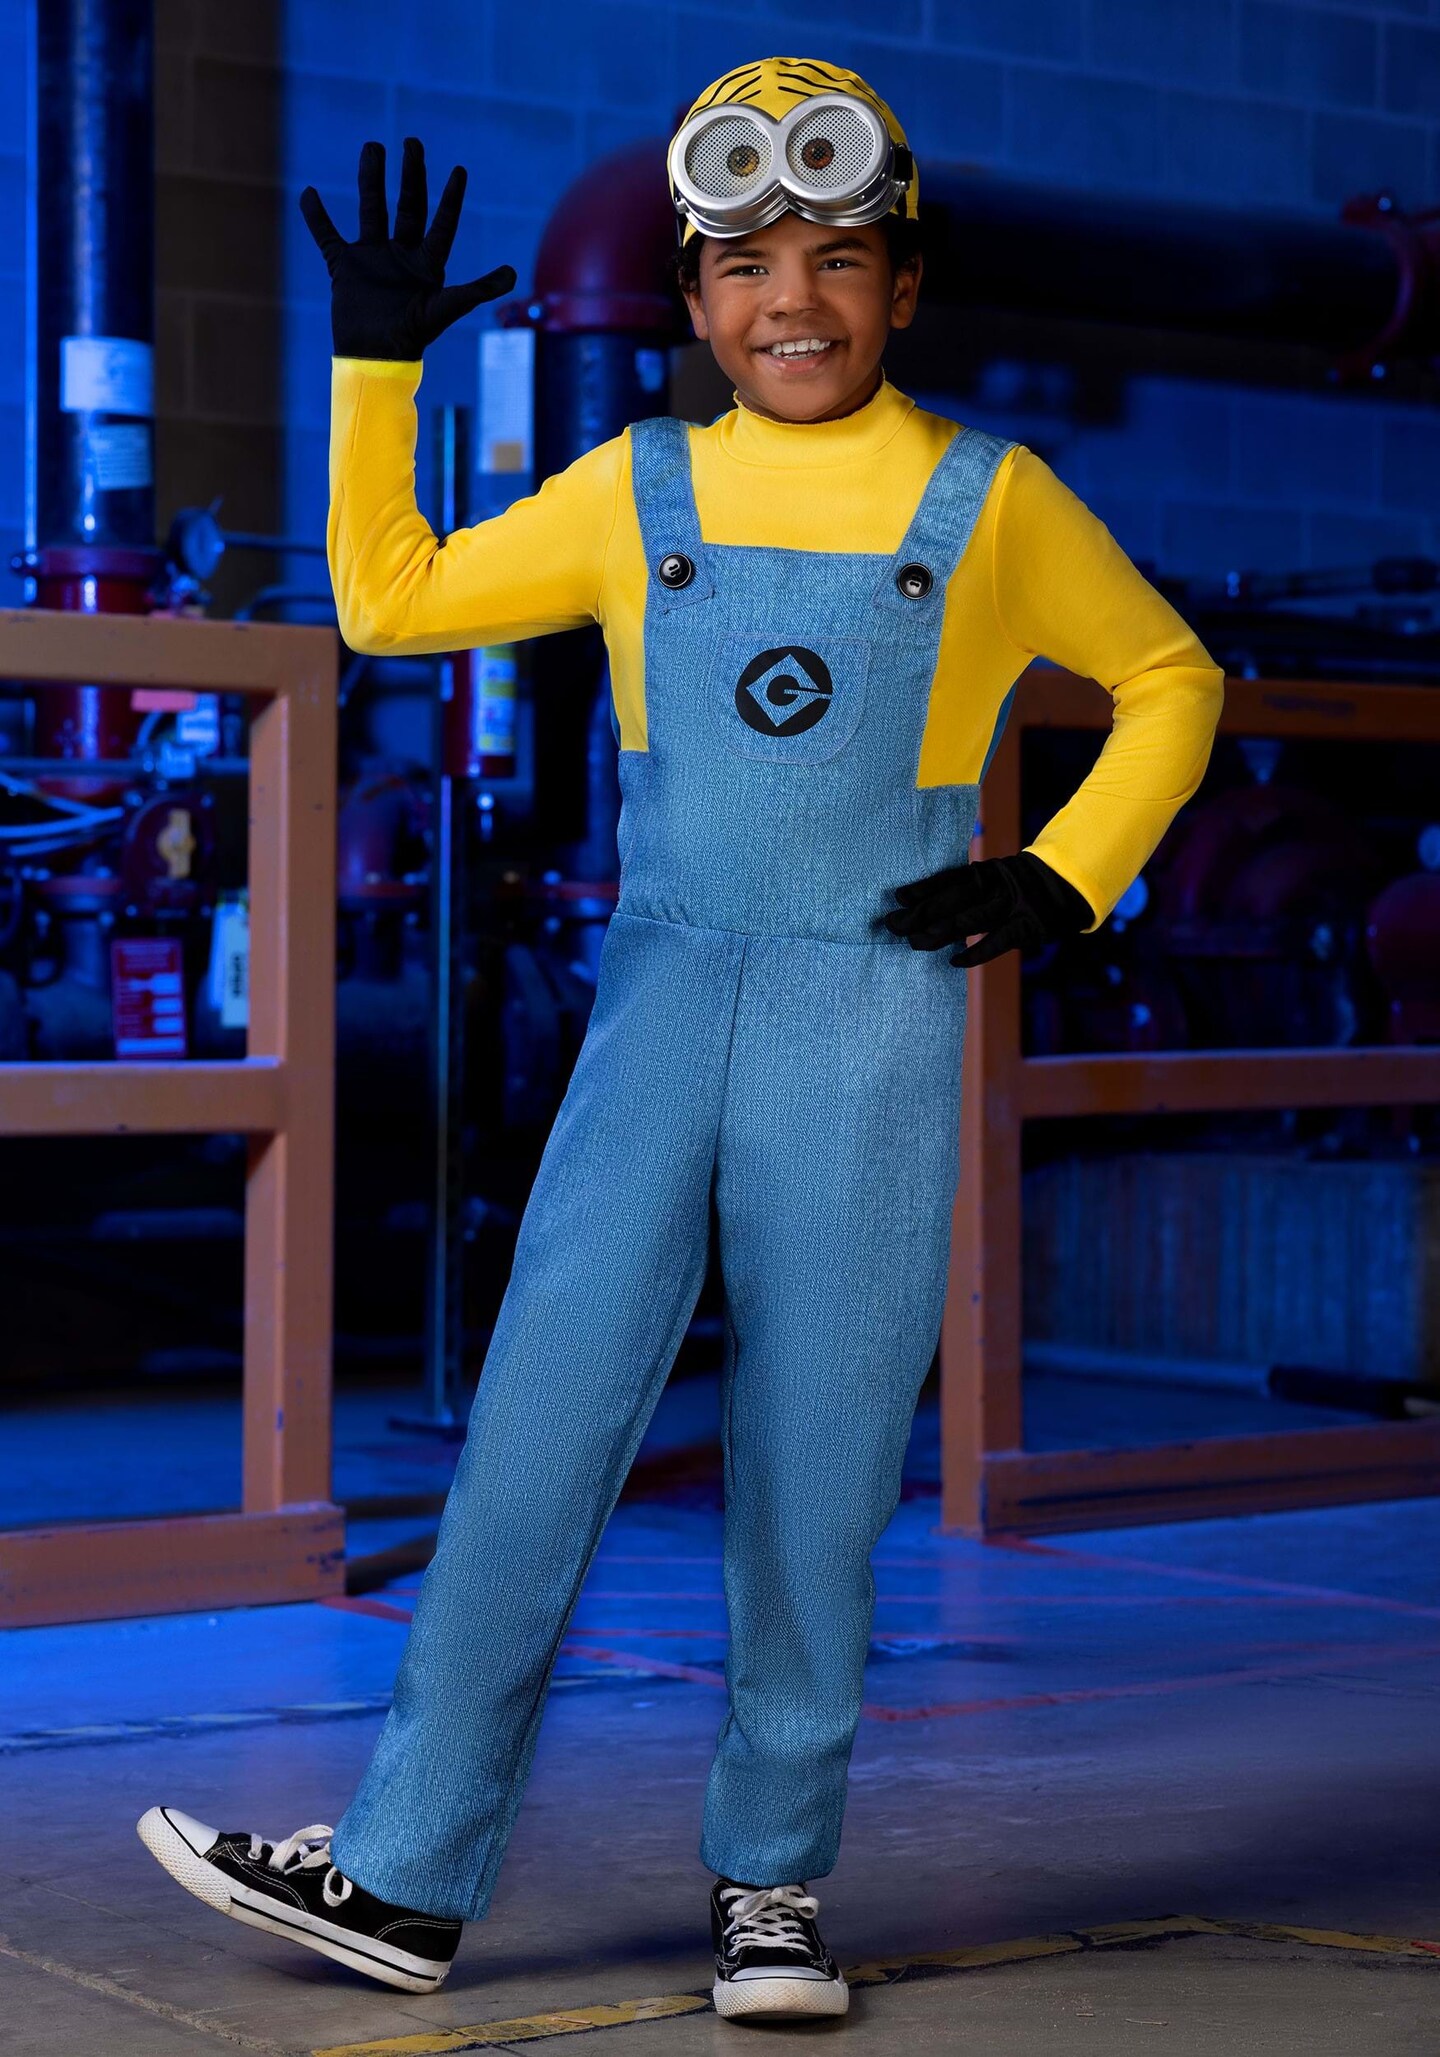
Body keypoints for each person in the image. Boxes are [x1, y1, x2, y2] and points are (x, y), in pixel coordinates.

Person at [137, 56, 1224, 2022]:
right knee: (535, 1434)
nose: (791, 302)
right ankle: (402, 1875)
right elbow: (386, 603)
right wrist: (374, 369)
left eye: (837, 259)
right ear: (694, 301)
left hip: (870, 1015)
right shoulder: (633, 489)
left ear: (906, 285)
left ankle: (773, 1895)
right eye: (743, 266)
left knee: (819, 1467)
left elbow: (1170, 676)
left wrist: (1069, 873)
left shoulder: (989, 501)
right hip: (660, 1005)